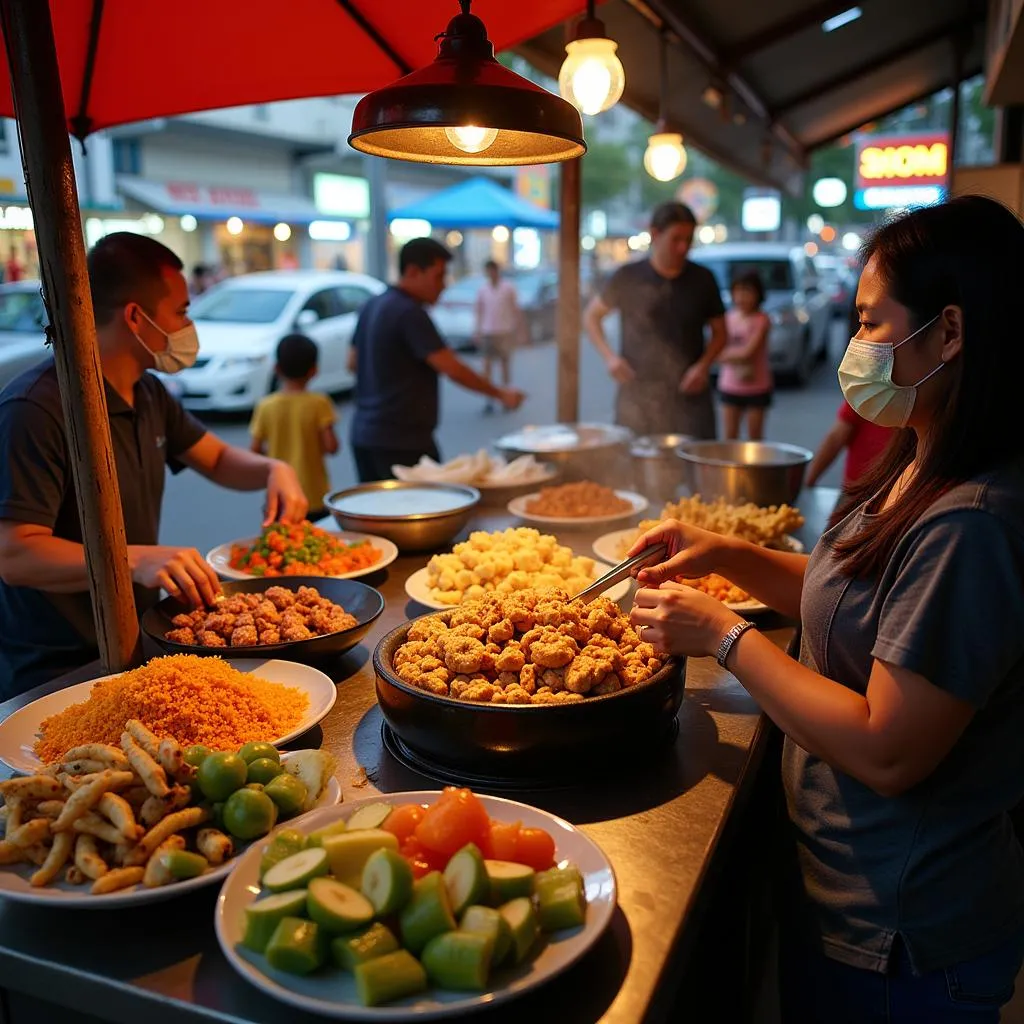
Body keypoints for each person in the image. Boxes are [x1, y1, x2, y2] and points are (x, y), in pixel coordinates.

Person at [627, 196, 1024, 1022]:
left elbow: (889, 749)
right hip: (839, 897)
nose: (856, 348)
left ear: (950, 332)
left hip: (902, 938)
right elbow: (866, 591)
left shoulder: (975, 523)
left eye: (874, 324)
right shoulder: (925, 456)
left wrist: (724, 635)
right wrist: (727, 553)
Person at [0, 232, 307, 697]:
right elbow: (15, 554)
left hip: (136, 641)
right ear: (136, 318)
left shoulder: (148, 393)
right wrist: (133, 559)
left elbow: (218, 458)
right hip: (56, 668)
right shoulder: (35, 409)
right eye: (182, 311)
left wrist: (272, 470)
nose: (189, 325)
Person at [348, 237, 525, 483]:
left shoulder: (371, 305)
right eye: (438, 276)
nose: (443, 286)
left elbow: (352, 362)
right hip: (402, 442)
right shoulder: (410, 313)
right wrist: (501, 394)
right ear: (412, 271)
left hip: (363, 437)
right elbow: (452, 368)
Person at [584, 201, 726, 439]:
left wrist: (703, 366)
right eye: (676, 239)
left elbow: (721, 333)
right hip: (637, 393)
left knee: (694, 467)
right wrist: (610, 358)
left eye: (688, 240)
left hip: (690, 396)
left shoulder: (703, 279)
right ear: (655, 234)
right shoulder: (627, 277)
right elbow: (591, 316)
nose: (683, 248)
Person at [250, 333, 338, 520]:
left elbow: (255, 450)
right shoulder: (319, 403)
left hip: (280, 492)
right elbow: (331, 446)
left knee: (280, 543)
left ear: (276, 368)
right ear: (314, 370)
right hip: (315, 494)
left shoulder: (265, 405)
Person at [805, 399, 894, 525]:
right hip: (855, 495)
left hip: (896, 502)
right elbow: (835, 439)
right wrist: (809, 482)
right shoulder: (869, 393)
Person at [717, 271, 772, 440]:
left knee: (755, 440)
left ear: (758, 294)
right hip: (729, 386)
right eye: (738, 291)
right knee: (729, 438)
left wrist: (723, 355)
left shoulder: (762, 320)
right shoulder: (727, 318)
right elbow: (716, 349)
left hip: (757, 387)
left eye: (747, 291)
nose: (741, 297)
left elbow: (747, 353)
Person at [474, 260, 524, 414]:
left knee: (504, 366)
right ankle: (489, 399)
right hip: (488, 331)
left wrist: (520, 330)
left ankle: (505, 396)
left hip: (504, 330)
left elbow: (516, 309)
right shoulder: (483, 290)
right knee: (487, 366)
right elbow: (479, 311)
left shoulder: (508, 287)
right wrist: (477, 330)